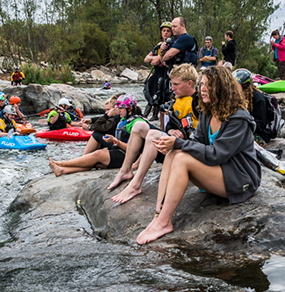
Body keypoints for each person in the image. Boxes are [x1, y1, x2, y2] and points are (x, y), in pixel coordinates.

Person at [136, 65, 261, 245]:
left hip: (240, 179)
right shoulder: (207, 113)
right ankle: (159, 214)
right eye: (201, 84)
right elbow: (197, 144)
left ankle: (164, 222)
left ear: (222, 88)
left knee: (181, 157)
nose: (202, 89)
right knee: (175, 153)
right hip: (219, 172)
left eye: (208, 85)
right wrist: (173, 144)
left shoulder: (239, 118)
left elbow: (218, 154)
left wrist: (179, 143)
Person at [109, 63, 200, 202]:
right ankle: (125, 170)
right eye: (172, 84)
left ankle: (135, 185)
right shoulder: (177, 100)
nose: (172, 88)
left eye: (176, 84)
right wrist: (172, 130)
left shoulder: (200, 102)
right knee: (139, 126)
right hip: (175, 144)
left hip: (189, 150)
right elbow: (169, 125)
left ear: (189, 83)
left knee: (152, 135)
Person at [49, 94, 143, 176]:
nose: (118, 111)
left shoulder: (137, 123)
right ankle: (62, 170)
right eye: (117, 108)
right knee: (95, 162)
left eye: (120, 109)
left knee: (97, 155)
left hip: (129, 156)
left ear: (129, 108)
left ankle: (63, 164)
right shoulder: (124, 119)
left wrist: (116, 141)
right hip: (121, 150)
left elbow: (136, 148)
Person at [143, 21, 174, 121]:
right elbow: (146, 59)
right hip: (156, 73)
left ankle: (156, 114)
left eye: (168, 31)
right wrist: (156, 58)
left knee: (160, 92)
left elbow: (164, 61)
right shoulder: (158, 46)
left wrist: (158, 60)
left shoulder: (172, 45)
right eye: (164, 31)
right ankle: (145, 115)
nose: (165, 33)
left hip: (165, 74)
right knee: (151, 92)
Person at [234, 69, 274, 145]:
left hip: (261, 134)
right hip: (247, 130)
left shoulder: (259, 99)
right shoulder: (239, 96)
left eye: (235, 84)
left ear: (244, 85)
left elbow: (259, 125)